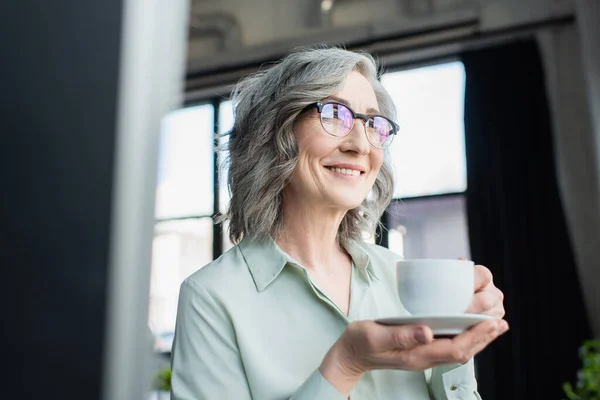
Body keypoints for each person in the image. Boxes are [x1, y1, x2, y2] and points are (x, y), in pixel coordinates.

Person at [170, 46, 507, 400]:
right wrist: (345, 364)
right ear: (273, 134)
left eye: (374, 124)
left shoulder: (400, 276)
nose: (361, 145)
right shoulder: (210, 298)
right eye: (334, 114)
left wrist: (454, 343)